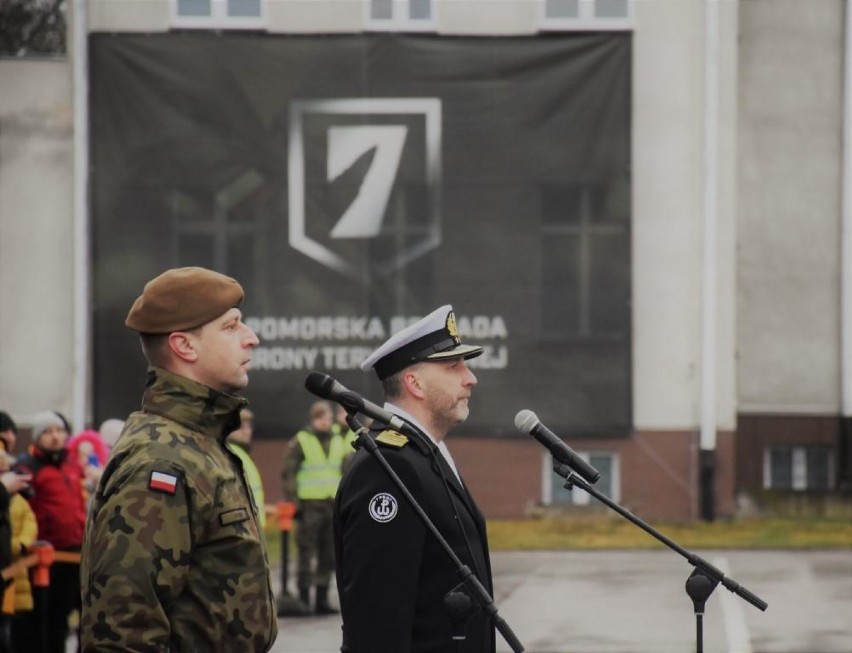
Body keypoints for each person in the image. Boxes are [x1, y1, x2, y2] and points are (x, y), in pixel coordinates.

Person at [80, 266, 277, 652]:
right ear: (185, 346)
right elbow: (123, 634)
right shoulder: (162, 460)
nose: (251, 339)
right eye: (232, 326)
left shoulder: (199, 443)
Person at [333, 304, 495, 653]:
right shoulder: (388, 467)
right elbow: (378, 623)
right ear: (415, 383)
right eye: (454, 366)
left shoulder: (423, 454)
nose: (471, 378)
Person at [13, 410, 86, 653]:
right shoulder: (28, 468)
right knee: (46, 620)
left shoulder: (71, 465)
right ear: (36, 438)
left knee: (70, 615)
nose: (55, 437)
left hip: (74, 552)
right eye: (47, 432)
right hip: (45, 556)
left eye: (58, 430)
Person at [281, 400, 346, 615]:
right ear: (314, 419)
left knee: (328, 552)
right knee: (306, 552)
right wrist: (294, 501)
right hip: (309, 505)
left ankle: (322, 598)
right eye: (322, 418)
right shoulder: (302, 440)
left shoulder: (338, 439)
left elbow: (345, 469)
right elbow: (289, 473)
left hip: (332, 503)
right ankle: (303, 598)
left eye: (328, 418)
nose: (326, 422)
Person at [227, 407, 267, 530]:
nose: (247, 432)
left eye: (249, 427)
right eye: (242, 427)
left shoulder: (242, 455)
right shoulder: (233, 454)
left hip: (251, 526)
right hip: (244, 528)